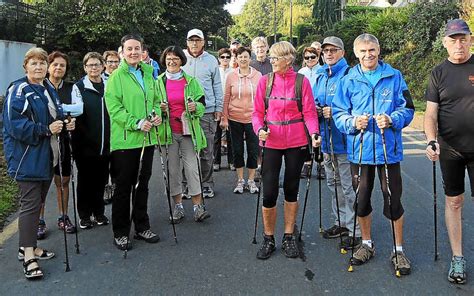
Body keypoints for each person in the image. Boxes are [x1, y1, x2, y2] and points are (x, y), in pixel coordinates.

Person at [332, 33, 414, 275]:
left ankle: (398, 250)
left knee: (393, 200)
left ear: (379, 51)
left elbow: (407, 108)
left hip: (389, 152)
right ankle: (366, 244)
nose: (368, 55)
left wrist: (392, 119)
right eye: (363, 51)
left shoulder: (394, 76)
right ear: (355, 54)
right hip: (360, 151)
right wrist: (352, 121)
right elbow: (338, 113)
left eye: (372, 50)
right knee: (361, 201)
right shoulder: (348, 80)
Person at [3, 47, 75, 279]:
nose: (39, 67)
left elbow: (56, 115)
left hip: (46, 156)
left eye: (42, 63)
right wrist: (46, 130)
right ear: (25, 67)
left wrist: (65, 122)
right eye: (34, 64)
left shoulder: (47, 89)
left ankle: (29, 246)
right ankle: (29, 259)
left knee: (39, 201)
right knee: (31, 205)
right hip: (27, 157)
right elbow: (15, 125)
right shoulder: (19, 89)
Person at [252, 41, 320, 260]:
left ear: (288, 60)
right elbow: (256, 113)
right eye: (270, 58)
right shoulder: (265, 81)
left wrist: (314, 133)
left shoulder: (302, 82)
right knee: (269, 191)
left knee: (291, 188)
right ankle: (268, 237)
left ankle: (289, 236)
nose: (271, 61)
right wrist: (259, 129)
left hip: (296, 142)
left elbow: (309, 112)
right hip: (271, 141)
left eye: (275, 58)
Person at [424, 19, 473, 284]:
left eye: (462, 38)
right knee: (454, 201)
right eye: (453, 39)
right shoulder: (438, 72)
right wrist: (431, 140)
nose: (458, 44)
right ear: (445, 43)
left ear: (470, 39)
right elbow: (430, 114)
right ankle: (457, 258)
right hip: (450, 149)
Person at [105, 34, 162, 251]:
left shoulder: (148, 73)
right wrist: (136, 123)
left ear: (142, 51)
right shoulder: (116, 77)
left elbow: (156, 100)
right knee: (124, 187)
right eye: (129, 49)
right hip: (126, 142)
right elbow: (114, 108)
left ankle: (141, 226)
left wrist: (156, 115)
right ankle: (120, 232)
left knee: (143, 184)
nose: (133, 52)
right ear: (122, 52)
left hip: (146, 140)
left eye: (137, 48)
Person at [313, 37, 361, 249]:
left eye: (334, 50)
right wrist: (315, 110)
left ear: (342, 52)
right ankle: (341, 222)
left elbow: (357, 106)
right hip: (326, 139)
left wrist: (337, 111)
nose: (329, 54)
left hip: (345, 141)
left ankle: (356, 229)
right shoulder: (321, 75)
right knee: (333, 184)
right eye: (326, 51)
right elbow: (314, 101)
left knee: (349, 186)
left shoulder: (350, 74)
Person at [156, 45, 210, 223]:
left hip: (188, 132)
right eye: (169, 58)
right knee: (172, 171)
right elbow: (151, 107)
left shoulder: (191, 82)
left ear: (181, 61)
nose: (172, 61)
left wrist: (196, 107)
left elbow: (202, 104)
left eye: (175, 58)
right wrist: (160, 109)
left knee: (192, 169)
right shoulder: (158, 82)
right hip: (167, 133)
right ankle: (178, 207)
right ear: (164, 61)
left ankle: (197, 207)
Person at [36, 51, 82, 240]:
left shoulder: (71, 87)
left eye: (62, 65)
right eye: (55, 64)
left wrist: (69, 118)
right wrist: (65, 110)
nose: (58, 68)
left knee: (62, 180)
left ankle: (63, 216)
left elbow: (79, 109)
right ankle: (38, 220)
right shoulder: (39, 87)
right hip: (44, 140)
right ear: (48, 67)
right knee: (41, 182)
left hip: (64, 139)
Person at [182, 28, 223, 198]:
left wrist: (218, 108)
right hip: (184, 113)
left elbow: (217, 85)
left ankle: (206, 184)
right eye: (191, 40)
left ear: (203, 41)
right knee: (185, 151)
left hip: (207, 112)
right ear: (187, 42)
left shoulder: (211, 60)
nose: (194, 43)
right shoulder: (180, 58)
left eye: (197, 40)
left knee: (206, 151)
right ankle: (186, 185)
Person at [72, 52, 110, 229]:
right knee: (86, 180)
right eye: (90, 65)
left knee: (101, 179)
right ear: (85, 67)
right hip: (85, 144)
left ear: (103, 66)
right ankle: (84, 215)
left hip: (107, 143)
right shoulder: (79, 87)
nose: (94, 68)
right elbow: (76, 114)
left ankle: (99, 212)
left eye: (97, 64)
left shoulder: (109, 85)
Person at [221, 47, 262, 194]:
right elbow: (226, 98)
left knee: (253, 150)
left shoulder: (258, 75)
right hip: (234, 118)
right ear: (236, 59)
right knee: (237, 150)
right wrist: (224, 117)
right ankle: (240, 180)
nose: (243, 59)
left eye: (246, 57)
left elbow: (261, 98)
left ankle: (251, 180)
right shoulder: (231, 76)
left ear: (250, 58)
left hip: (253, 118)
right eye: (240, 57)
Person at [298, 46, 323, 179]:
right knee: (306, 138)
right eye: (307, 57)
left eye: (312, 57)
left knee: (318, 136)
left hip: (319, 109)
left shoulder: (323, 71)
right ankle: (307, 164)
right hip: (305, 109)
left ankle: (320, 164)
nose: (310, 60)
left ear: (318, 57)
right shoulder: (301, 72)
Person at [102, 50, 121, 205]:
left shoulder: (121, 78)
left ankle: (115, 187)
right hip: (103, 123)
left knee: (116, 159)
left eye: (116, 62)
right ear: (104, 63)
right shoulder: (100, 79)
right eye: (110, 62)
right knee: (104, 159)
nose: (113, 65)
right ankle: (104, 188)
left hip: (118, 124)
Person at [214, 48, 234, 172]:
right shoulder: (215, 71)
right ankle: (216, 161)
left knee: (231, 136)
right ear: (219, 58)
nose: (225, 59)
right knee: (216, 136)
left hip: (231, 107)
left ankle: (232, 161)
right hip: (217, 106)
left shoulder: (234, 72)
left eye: (227, 57)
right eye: (222, 57)